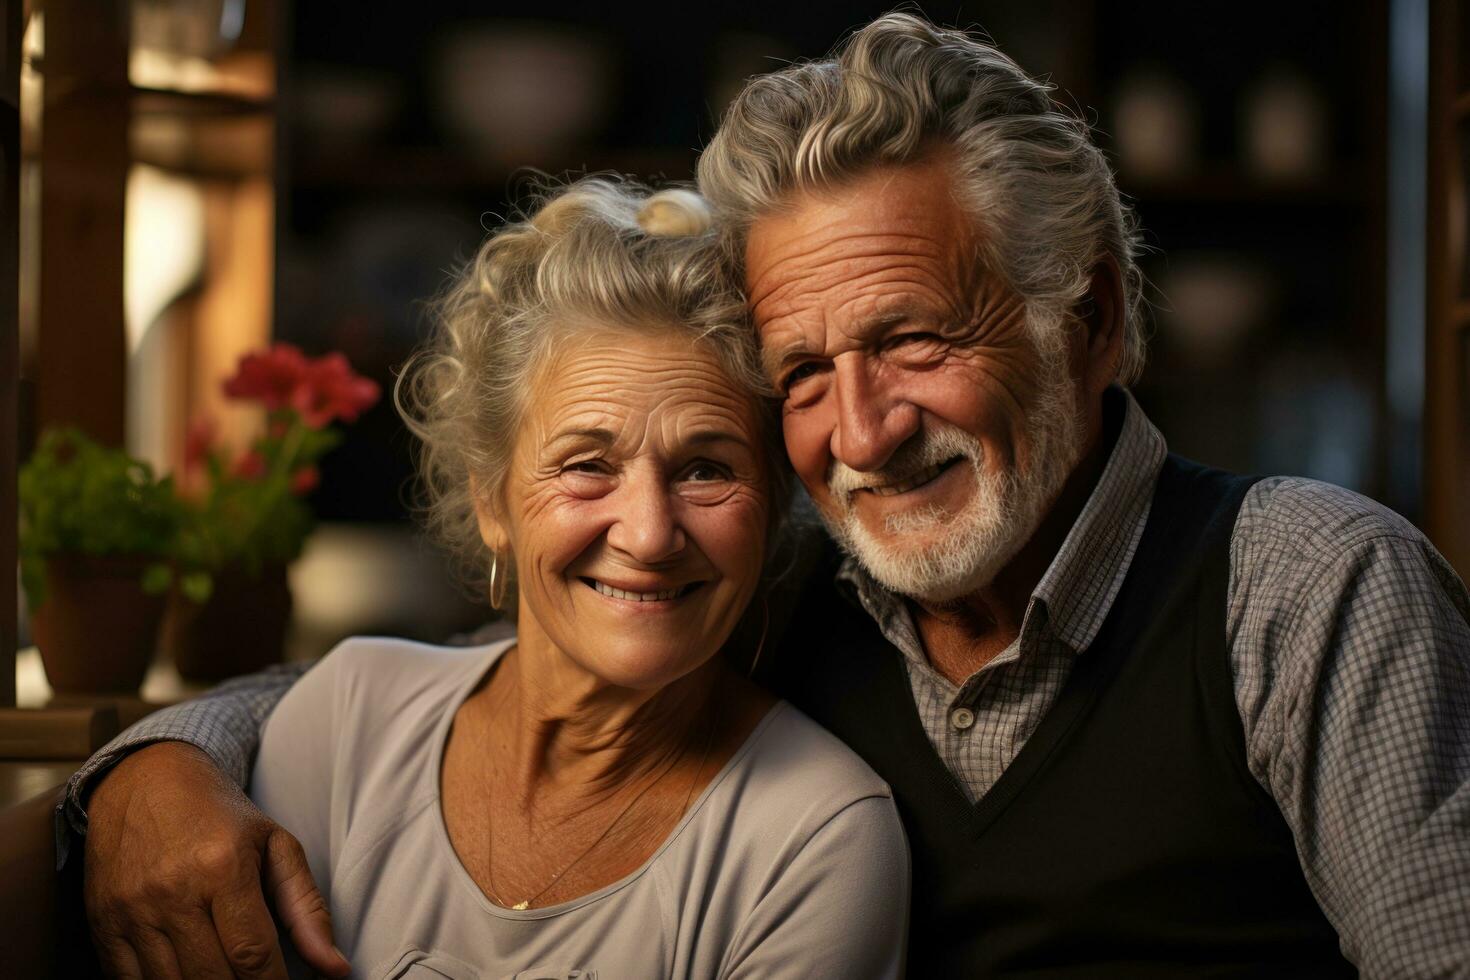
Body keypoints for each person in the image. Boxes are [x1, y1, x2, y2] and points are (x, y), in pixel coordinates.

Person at [68, 12, 1470, 978]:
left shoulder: (1306, 588)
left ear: (1087, 322)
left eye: (915, 339)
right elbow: (450, 692)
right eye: (803, 371)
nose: (859, 432)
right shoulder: (795, 590)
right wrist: (146, 774)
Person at [73, 178, 910, 979]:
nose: (651, 534)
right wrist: (142, 767)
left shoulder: (820, 835)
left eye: (705, 470)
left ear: (772, 512)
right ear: (492, 502)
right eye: (587, 465)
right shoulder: (345, 722)